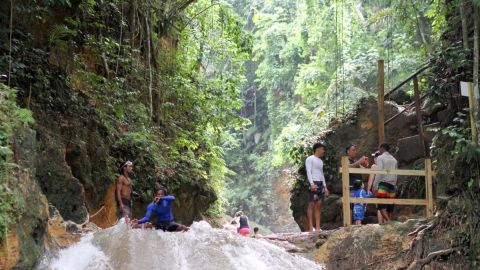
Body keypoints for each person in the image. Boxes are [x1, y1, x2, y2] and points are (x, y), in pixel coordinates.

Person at [305, 142, 329, 232]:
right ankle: (311, 227)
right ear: (317, 149)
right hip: (313, 182)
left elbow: (322, 174)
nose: (323, 151)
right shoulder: (310, 158)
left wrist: (325, 186)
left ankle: (318, 227)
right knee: (311, 204)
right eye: (322, 149)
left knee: (319, 205)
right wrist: (311, 184)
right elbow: (308, 171)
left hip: (320, 183)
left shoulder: (320, 161)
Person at [373, 143, 398, 223]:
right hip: (392, 184)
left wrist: (375, 185)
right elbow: (396, 174)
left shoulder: (380, 158)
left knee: (381, 205)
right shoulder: (394, 159)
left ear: (382, 148)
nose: (379, 150)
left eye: (379, 149)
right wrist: (394, 183)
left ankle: (389, 221)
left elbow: (379, 172)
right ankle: (389, 223)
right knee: (390, 206)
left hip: (383, 184)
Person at [367, 151, 385, 224]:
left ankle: (380, 223)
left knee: (379, 207)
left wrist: (368, 189)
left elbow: (371, 179)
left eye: (375, 157)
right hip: (385, 188)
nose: (374, 158)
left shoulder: (374, 166)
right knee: (385, 206)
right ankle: (386, 224)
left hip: (377, 189)